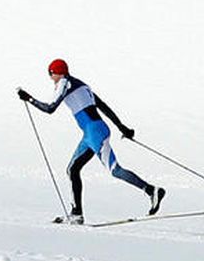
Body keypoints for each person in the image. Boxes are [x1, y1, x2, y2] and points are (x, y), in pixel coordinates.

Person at [18, 58, 163, 223]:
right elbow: (102, 106)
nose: (51, 79)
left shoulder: (64, 83)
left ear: (56, 73)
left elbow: (50, 108)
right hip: (91, 133)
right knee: (73, 169)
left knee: (114, 170)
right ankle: (76, 214)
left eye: (51, 75)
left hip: (95, 133)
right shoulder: (82, 85)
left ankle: (151, 190)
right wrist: (121, 127)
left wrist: (28, 98)